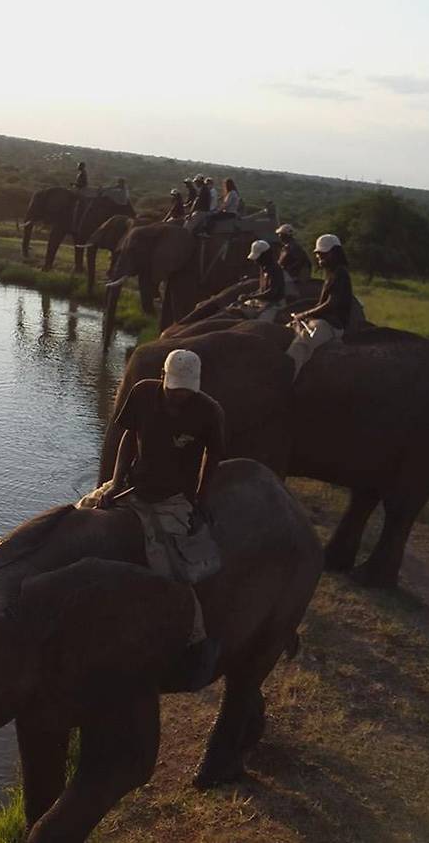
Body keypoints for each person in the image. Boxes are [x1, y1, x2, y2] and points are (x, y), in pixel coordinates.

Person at [98, 349, 226, 687]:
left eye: (186, 390)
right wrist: (115, 482)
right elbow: (128, 436)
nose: (179, 395)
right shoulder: (142, 393)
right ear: (163, 378)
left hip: (173, 500)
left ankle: (197, 640)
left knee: (172, 567)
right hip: (133, 488)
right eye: (174, 388)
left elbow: (213, 457)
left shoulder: (209, 412)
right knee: (84, 514)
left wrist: (199, 500)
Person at [285, 234, 353, 379]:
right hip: (324, 320)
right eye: (318, 253)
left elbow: (331, 304)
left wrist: (305, 314)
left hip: (332, 324)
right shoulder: (331, 273)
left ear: (335, 253)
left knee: (301, 345)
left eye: (323, 253)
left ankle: (287, 379)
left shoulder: (340, 274)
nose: (319, 257)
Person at [238, 239, 286, 321]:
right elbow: (262, 289)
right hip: (263, 301)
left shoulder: (275, 269)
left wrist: (250, 297)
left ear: (265, 256)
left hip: (275, 304)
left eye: (257, 258)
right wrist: (250, 295)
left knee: (260, 322)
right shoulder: (263, 268)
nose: (255, 261)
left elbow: (271, 292)